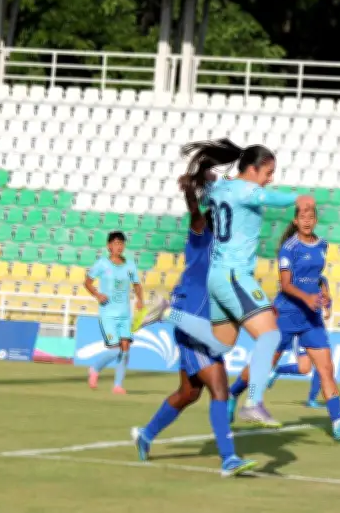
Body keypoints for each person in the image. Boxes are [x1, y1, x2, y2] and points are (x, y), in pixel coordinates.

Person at [156, 138, 314, 427]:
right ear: (253, 169)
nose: (270, 179)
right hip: (234, 275)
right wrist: (299, 198)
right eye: (268, 172)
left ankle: (166, 313)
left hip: (217, 276)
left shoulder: (220, 189)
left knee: (222, 343)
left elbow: (203, 198)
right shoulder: (247, 190)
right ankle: (253, 402)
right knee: (270, 336)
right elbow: (272, 198)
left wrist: (200, 181)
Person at [132, 173, 256, 476]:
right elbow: (195, 213)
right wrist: (190, 190)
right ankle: (229, 459)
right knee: (219, 388)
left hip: (204, 325)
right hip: (190, 319)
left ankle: (146, 434)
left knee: (189, 392)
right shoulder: (203, 238)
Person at [229, 206, 340, 440]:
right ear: (295, 220)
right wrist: (308, 297)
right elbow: (286, 284)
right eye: (302, 217)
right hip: (286, 315)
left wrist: (325, 295)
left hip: (311, 318)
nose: (307, 221)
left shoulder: (322, 245)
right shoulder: (289, 248)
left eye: (311, 217)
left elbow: (318, 277)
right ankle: (232, 394)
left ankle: (339, 422)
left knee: (326, 369)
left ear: (316, 220)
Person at [84, 231, 144, 394]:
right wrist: (97, 295)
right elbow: (87, 282)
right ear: (109, 246)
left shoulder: (130, 266)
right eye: (116, 243)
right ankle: (95, 368)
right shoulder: (102, 264)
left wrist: (140, 300)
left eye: (121, 243)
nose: (119, 246)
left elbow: (137, 284)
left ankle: (118, 385)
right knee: (115, 350)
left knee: (125, 348)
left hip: (125, 315)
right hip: (108, 314)